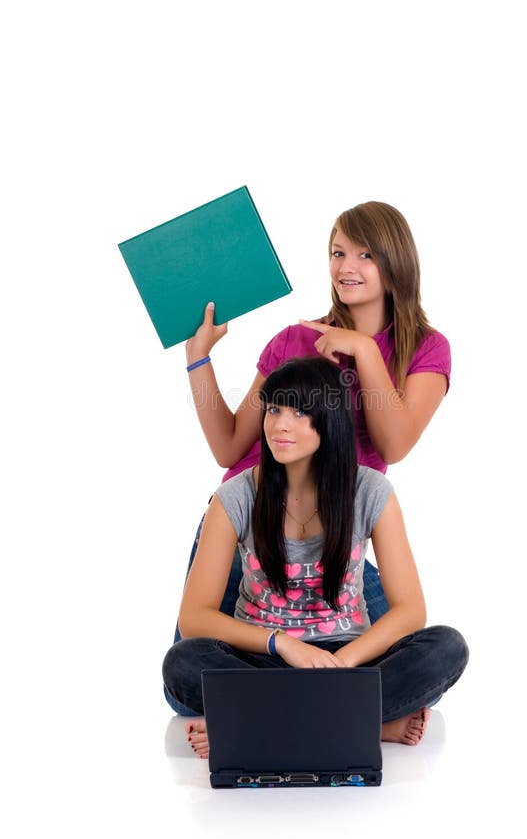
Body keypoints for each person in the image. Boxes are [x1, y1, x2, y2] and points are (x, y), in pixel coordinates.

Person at [162, 358, 468, 757]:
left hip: (345, 662)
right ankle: (366, 723)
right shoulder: (235, 497)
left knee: (447, 647)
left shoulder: (370, 491)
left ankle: (251, 722)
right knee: (182, 662)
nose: (279, 425)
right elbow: (195, 617)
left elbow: (410, 610)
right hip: (262, 660)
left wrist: (342, 663)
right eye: (273, 409)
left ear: (330, 421)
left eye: (300, 412)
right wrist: (284, 644)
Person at [176, 200, 450, 638]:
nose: (347, 266)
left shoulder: (426, 349)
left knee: (417, 662)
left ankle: (302, 688)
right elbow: (228, 447)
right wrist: (198, 359)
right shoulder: (294, 339)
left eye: (365, 254)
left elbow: (394, 444)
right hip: (252, 523)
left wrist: (362, 349)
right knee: (190, 682)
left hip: (337, 534)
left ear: (395, 261)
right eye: (338, 253)